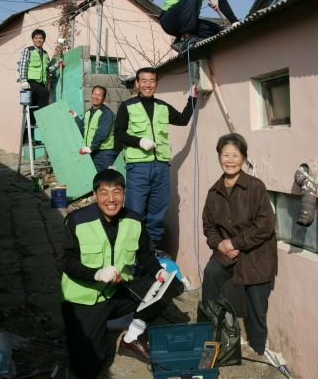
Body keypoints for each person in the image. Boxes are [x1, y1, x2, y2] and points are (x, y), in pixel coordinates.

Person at [61, 169, 176, 379]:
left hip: (118, 292)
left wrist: (158, 271)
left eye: (117, 192)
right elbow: (67, 261)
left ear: (124, 193)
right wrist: (96, 274)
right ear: (94, 195)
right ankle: (83, 333)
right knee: (87, 368)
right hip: (85, 300)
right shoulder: (77, 220)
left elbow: (145, 256)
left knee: (168, 286)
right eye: (104, 193)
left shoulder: (133, 219)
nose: (111, 199)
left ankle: (131, 338)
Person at [202, 133, 277, 356]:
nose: (230, 159)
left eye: (235, 155)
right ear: (219, 158)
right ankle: (210, 337)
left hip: (255, 253)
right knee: (212, 273)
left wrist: (235, 242)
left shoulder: (255, 187)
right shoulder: (214, 192)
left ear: (243, 158)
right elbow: (208, 226)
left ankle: (258, 351)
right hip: (227, 252)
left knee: (256, 308)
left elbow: (266, 224)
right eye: (226, 155)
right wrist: (222, 245)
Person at [114, 67, 198, 251]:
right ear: (137, 83)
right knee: (135, 211)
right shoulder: (127, 106)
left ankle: (153, 248)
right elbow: (118, 133)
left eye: (151, 81)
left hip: (160, 167)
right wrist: (139, 141)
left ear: (156, 84)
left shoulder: (162, 106)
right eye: (143, 81)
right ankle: (133, 250)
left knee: (158, 211)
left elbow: (183, 120)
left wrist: (193, 97)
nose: (148, 85)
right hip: (138, 168)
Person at [70, 86, 117, 172]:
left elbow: (102, 133)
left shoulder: (106, 113)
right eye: (94, 94)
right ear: (91, 95)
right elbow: (82, 130)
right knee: (93, 182)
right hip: (91, 152)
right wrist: (76, 117)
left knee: (107, 181)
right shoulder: (88, 112)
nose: (96, 97)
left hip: (103, 155)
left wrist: (91, 148)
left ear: (104, 98)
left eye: (99, 95)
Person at [19, 29, 64, 110]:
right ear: (32, 39)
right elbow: (23, 65)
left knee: (35, 105)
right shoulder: (28, 50)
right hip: (30, 82)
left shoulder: (45, 54)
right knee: (44, 93)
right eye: (36, 38)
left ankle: (33, 122)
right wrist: (23, 80)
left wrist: (57, 65)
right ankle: (43, 118)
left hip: (41, 83)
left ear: (44, 40)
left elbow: (48, 69)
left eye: (41, 38)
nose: (38, 40)